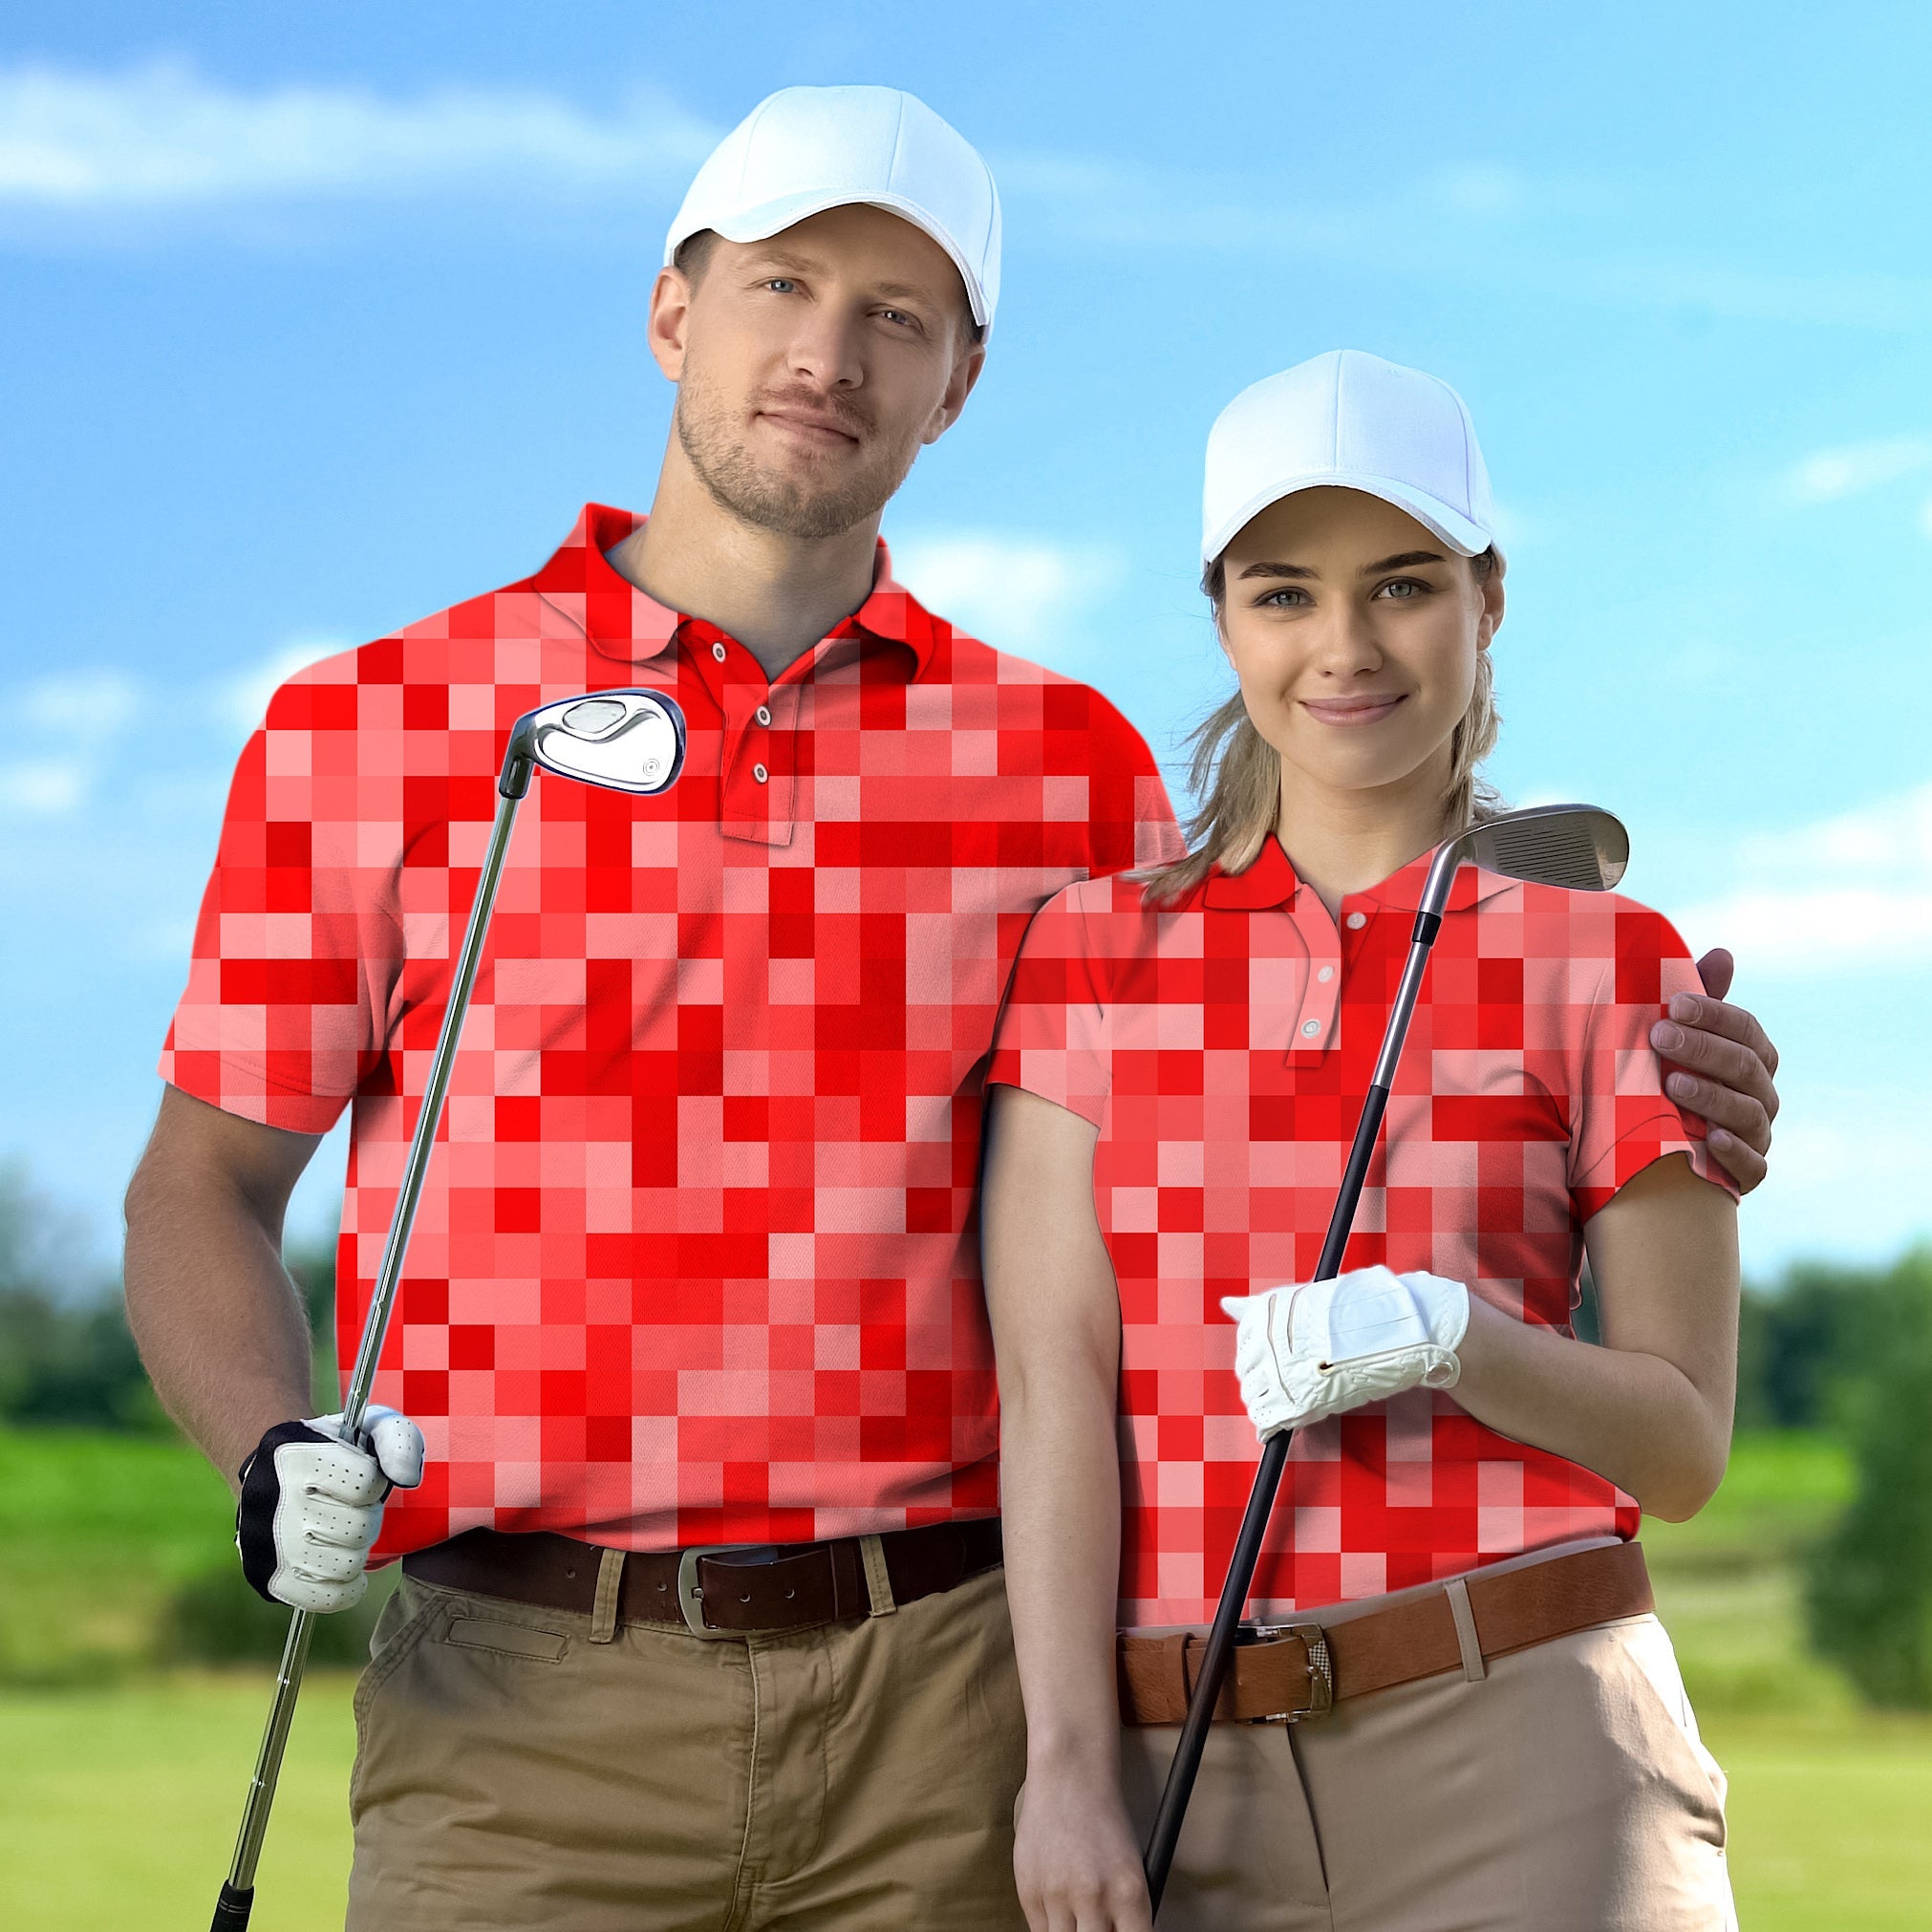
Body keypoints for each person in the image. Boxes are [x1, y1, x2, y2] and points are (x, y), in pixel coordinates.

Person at [119, 81, 1777, 1928]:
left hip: (949, 1697)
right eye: (781, 286)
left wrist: (1639, 1042)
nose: (827, 354)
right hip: (515, 1705)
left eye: (894, 316)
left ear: (960, 380)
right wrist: (270, 1450)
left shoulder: (1063, 762)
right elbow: (199, 1187)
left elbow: (1285, 1026)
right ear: (673, 309)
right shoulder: (371, 728)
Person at [983, 351, 1750, 1930]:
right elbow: (1052, 1381)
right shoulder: (1087, 952)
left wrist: (1449, 1334)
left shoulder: (1607, 955)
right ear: (1220, 618)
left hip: (1531, 1736)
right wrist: (1062, 1761)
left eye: (1400, 585)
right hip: (1180, 1770)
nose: (1343, 647)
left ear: (1485, 600)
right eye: (1283, 594)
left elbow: (1678, 1448)